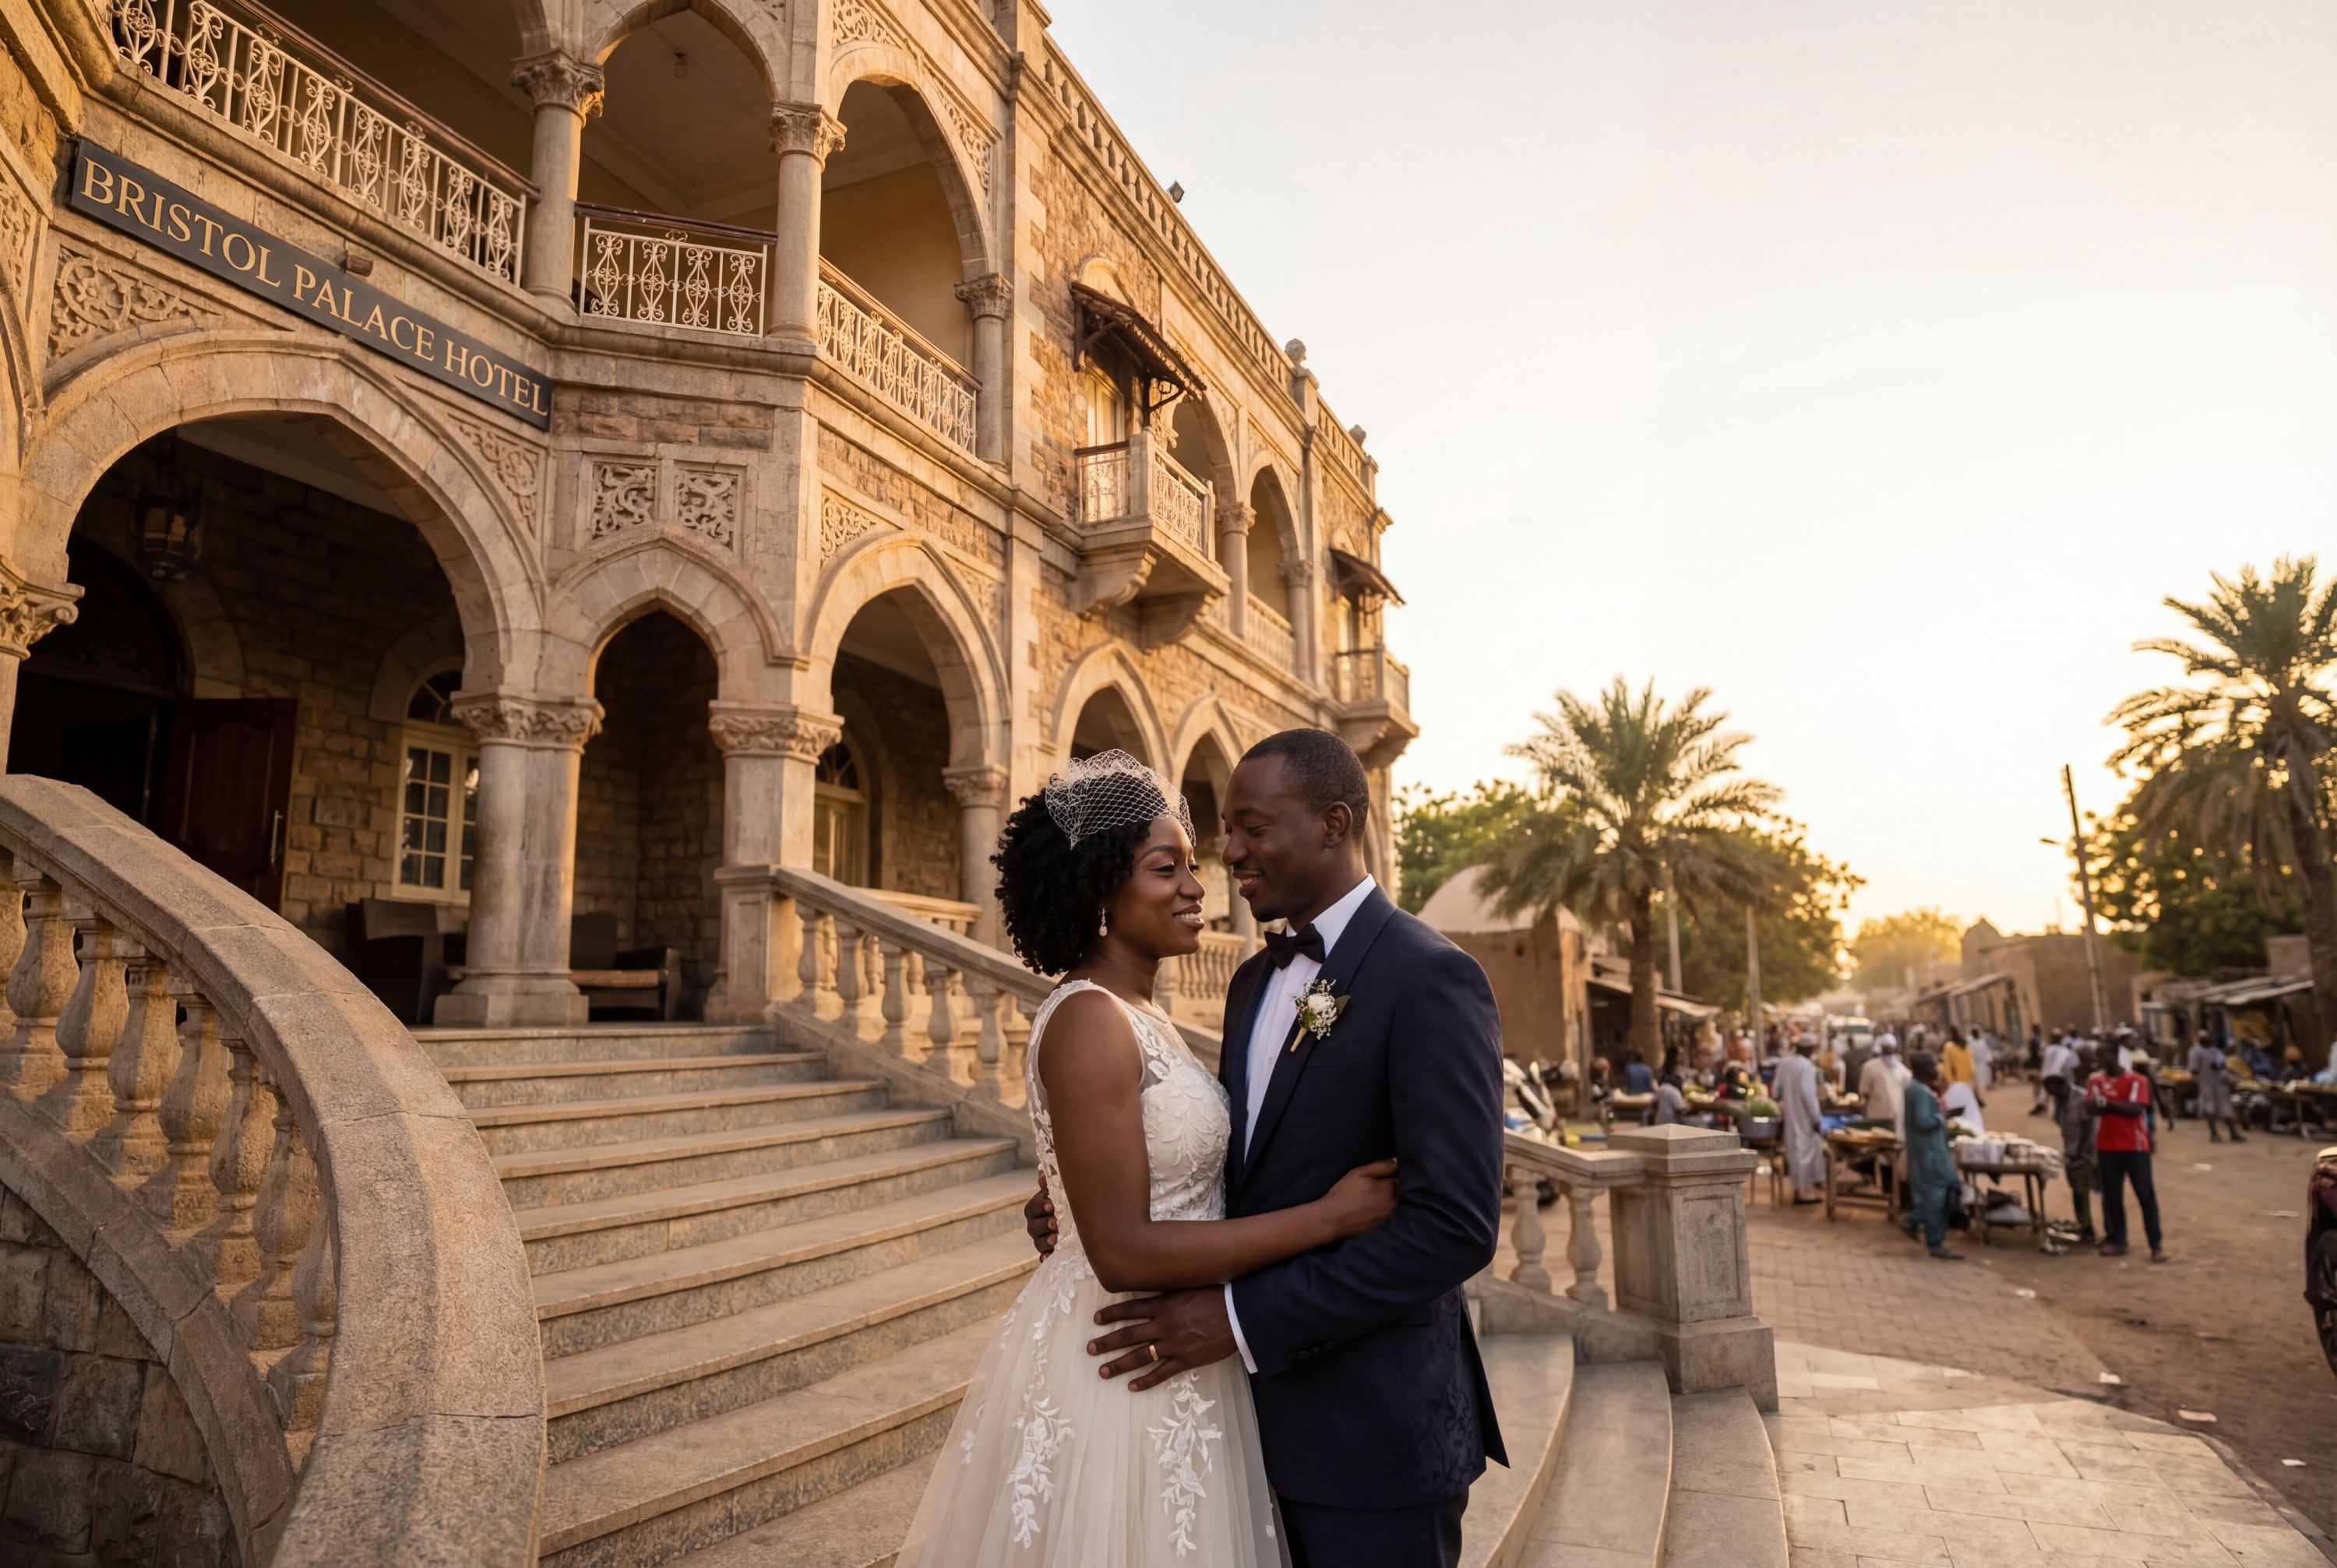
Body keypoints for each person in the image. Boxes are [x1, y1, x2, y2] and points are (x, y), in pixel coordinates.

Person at [1011, 731, 1506, 1568]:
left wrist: (1240, 1320)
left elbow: (1454, 1228)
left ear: (1333, 824)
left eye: (1250, 828)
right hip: (1229, 1425)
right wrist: (1075, 1197)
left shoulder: (1431, 978)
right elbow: (1241, 1161)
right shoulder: (1248, 984)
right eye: (1206, 844)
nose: (1228, 857)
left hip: (1373, 1439)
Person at [2086, 1050, 2166, 1263]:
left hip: (2135, 1147)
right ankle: (2119, 1240)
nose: (2100, 1059)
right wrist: (2115, 1105)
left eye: (2104, 1054)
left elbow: (2134, 1109)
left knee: (2146, 1195)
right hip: (2107, 1147)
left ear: (2114, 1056)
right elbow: (2091, 1107)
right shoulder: (2095, 1080)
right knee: (2112, 1197)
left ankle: (2156, 1244)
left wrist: (2106, 1104)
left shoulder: (2137, 1080)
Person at [1902, 1051, 1962, 1260]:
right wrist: (1942, 1117)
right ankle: (1933, 1240)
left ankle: (1915, 1221)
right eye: (1932, 1065)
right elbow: (1923, 1122)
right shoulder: (1919, 1092)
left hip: (1927, 1152)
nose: (1936, 1069)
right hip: (1930, 1154)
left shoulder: (1917, 1090)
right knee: (1938, 1196)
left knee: (1933, 1195)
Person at [2046, 1046, 2099, 1245]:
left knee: (2084, 1191)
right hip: (2072, 1151)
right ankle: (2084, 1227)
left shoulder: (2080, 1098)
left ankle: (2089, 1230)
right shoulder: (2060, 1101)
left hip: (2085, 1152)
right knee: (2078, 1191)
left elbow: (2088, 1127)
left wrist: (2080, 1152)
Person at [1774, 1037, 1825, 1206]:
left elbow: (1776, 1091)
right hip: (1804, 1117)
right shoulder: (1807, 1066)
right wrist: (1816, 1118)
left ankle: (1799, 1191)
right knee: (1805, 1154)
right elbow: (1808, 1095)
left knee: (1794, 1153)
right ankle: (1804, 1193)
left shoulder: (1784, 1063)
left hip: (1790, 1115)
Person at [2187, 1029, 2244, 1143]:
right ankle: (2214, 1134)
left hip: (2221, 1084)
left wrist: (2226, 1075)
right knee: (2210, 1109)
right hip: (2207, 1084)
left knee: (2227, 1108)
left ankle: (2233, 1133)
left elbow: (2224, 1066)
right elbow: (2194, 1070)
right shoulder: (2196, 1052)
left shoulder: (2216, 1051)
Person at [1857, 1035, 1910, 1140]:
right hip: (1875, 1119)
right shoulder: (1870, 1068)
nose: (1889, 1052)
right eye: (1887, 1049)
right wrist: (1864, 1120)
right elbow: (1864, 1095)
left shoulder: (1904, 1072)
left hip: (1896, 1119)